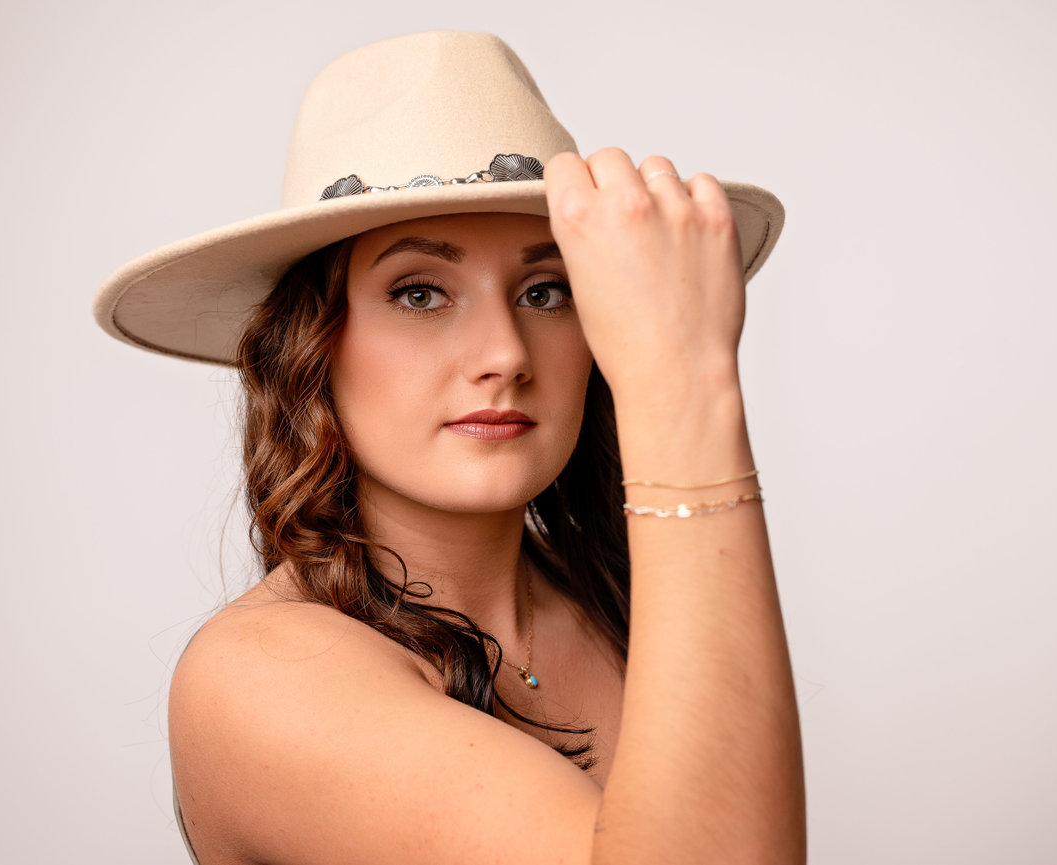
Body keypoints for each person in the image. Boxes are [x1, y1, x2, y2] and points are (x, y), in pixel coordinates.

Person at [95, 30, 805, 865]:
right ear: (311, 345)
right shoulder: (256, 680)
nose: (505, 352)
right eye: (421, 292)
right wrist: (683, 382)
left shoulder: (620, 591)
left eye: (548, 291)